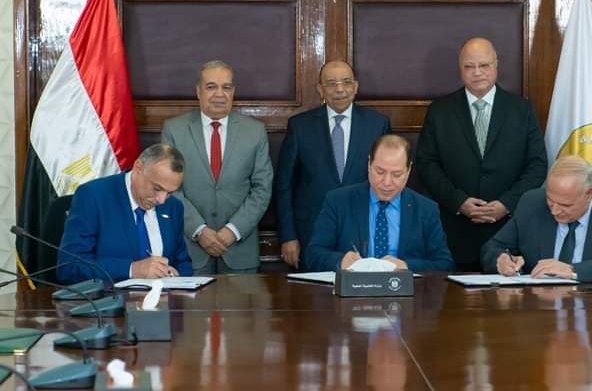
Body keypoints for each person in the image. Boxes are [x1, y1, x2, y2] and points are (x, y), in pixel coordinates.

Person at [415, 37, 548, 271]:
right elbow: (427, 164)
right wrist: (459, 202)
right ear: (460, 69)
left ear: (497, 65)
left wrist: (506, 204)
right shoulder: (440, 111)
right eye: (469, 66)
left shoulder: (521, 110)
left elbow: (537, 166)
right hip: (455, 233)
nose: (477, 73)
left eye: (484, 65)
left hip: (508, 233)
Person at [275, 60, 390, 269]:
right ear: (320, 89)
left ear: (356, 87)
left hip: (364, 232)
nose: (340, 89)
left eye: (346, 82)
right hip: (312, 234)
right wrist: (288, 236)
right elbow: (284, 186)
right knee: (314, 290)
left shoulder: (377, 124)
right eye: (331, 84)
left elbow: (388, 182)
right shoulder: (300, 126)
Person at [161, 60, 273, 274]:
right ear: (198, 91)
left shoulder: (255, 131)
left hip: (239, 250)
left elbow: (262, 188)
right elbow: (169, 189)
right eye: (211, 87)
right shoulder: (174, 130)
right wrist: (199, 231)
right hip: (190, 251)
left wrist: (233, 230)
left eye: (226, 87)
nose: (220, 94)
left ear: (233, 92)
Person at [481, 155, 592, 282]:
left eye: (565, 205)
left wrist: (574, 270)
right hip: (539, 308)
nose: (555, 211)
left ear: (589, 193)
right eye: (550, 201)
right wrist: (501, 259)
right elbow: (492, 247)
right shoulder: (532, 203)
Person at [305, 135, 454, 272]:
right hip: (352, 289)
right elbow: (313, 255)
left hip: (403, 290)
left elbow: (444, 264)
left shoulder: (426, 209)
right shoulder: (338, 201)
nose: (387, 182)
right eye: (380, 172)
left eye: (396, 174)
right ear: (369, 164)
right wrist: (340, 261)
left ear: (408, 171)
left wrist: (406, 266)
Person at [57, 144, 192, 283]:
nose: (161, 200)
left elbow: (183, 263)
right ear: (138, 168)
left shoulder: (174, 207)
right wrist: (131, 269)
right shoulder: (94, 197)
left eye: (169, 193)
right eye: (157, 188)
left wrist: (177, 277)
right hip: (110, 296)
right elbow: (69, 267)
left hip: (163, 296)